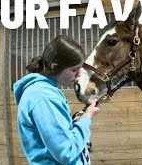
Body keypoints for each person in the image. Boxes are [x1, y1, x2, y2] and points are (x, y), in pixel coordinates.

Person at [13, 35, 99, 164]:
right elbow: (66, 152)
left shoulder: (42, 91)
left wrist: (74, 122)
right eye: (74, 69)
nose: (79, 74)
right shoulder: (44, 97)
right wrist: (87, 117)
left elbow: (57, 137)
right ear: (54, 67)